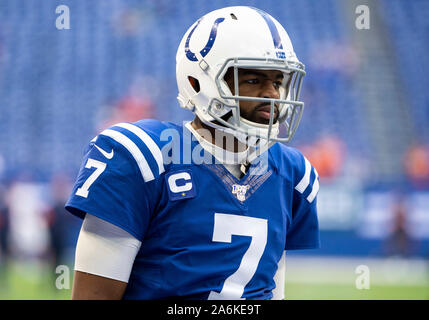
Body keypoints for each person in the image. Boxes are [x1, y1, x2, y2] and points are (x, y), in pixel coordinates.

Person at [65, 6, 320, 300]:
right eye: (254, 80)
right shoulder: (143, 156)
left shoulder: (292, 173)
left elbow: (270, 289)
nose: (273, 95)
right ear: (197, 81)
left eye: (278, 81)